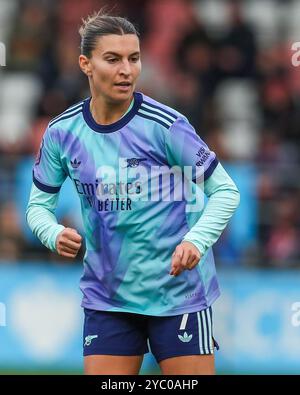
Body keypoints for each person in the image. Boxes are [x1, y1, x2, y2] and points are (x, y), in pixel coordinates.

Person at [26, 10, 240, 375]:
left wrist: (196, 241)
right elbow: (37, 206)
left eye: (134, 58)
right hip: (107, 298)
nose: (127, 69)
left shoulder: (166, 126)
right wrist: (53, 232)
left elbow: (225, 190)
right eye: (113, 59)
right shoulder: (62, 133)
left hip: (178, 295)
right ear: (85, 64)